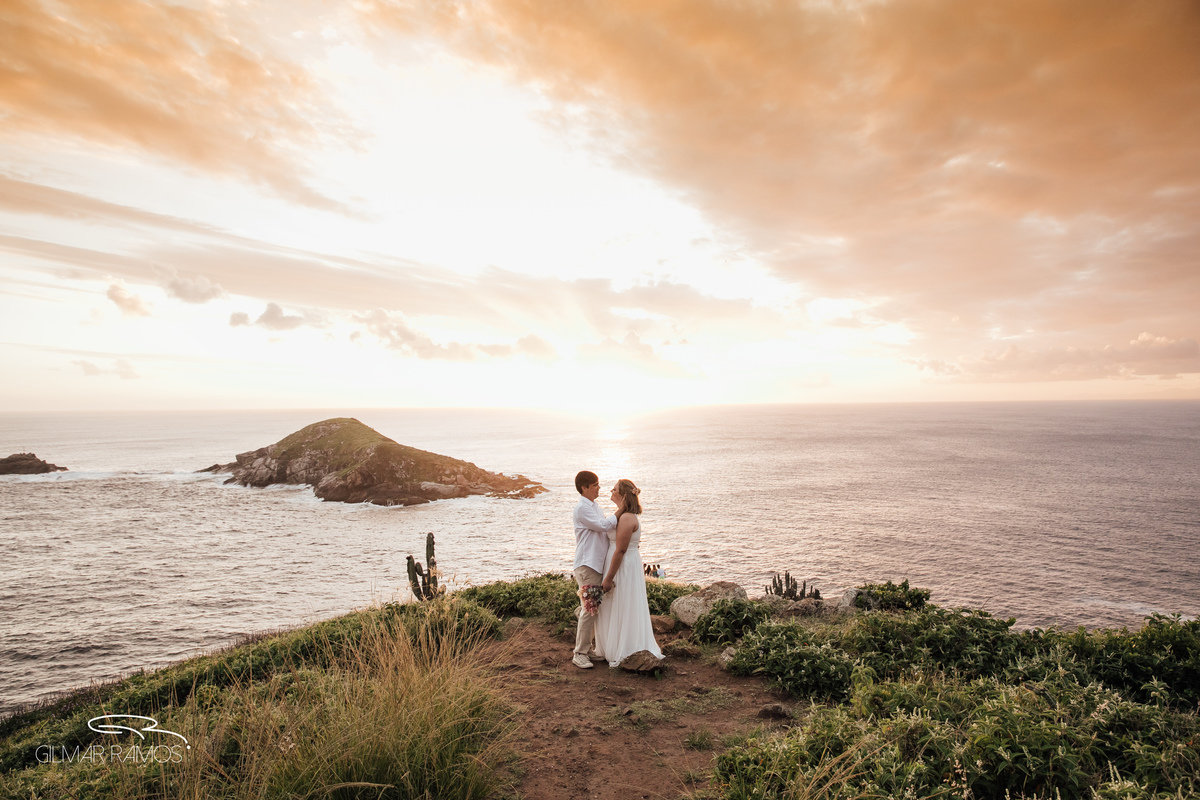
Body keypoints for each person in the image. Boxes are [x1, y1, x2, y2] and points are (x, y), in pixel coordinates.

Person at [594, 478, 662, 667]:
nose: (611, 490)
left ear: (623, 495)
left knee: (622, 602)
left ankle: (624, 648)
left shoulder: (626, 518)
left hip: (622, 565)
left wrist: (608, 577)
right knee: (615, 604)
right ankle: (613, 645)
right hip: (622, 562)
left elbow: (621, 550)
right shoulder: (624, 515)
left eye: (614, 489)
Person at [570, 470, 617, 669]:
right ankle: (579, 653)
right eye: (596, 484)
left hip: (595, 564)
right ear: (585, 487)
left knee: (591, 607)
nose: (599, 488)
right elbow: (602, 526)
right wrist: (622, 510)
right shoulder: (582, 508)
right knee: (590, 609)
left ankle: (587, 649)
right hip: (587, 564)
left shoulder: (593, 506)